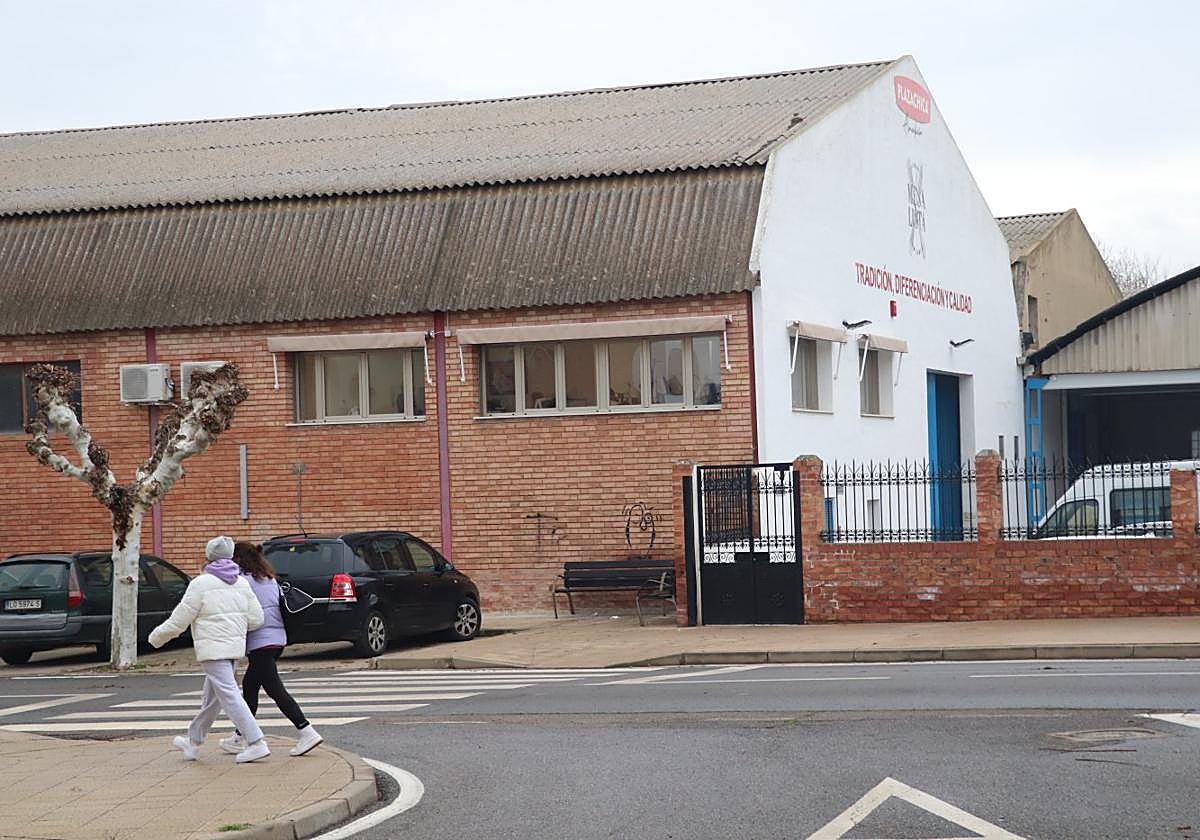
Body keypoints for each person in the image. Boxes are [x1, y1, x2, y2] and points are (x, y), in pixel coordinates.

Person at [148, 535, 270, 763]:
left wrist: (156, 638)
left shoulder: (201, 584)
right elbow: (257, 619)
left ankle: (256, 742)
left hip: (212, 649)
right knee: (213, 699)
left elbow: (180, 619)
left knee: (230, 695)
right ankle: (193, 742)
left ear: (208, 557)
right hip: (234, 648)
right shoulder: (241, 583)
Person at [221, 541, 323, 757]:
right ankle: (239, 737)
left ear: (238, 559)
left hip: (261, 642)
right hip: (276, 640)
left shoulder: (243, 581)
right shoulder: (268, 578)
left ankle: (307, 731)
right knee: (250, 687)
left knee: (275, 690)